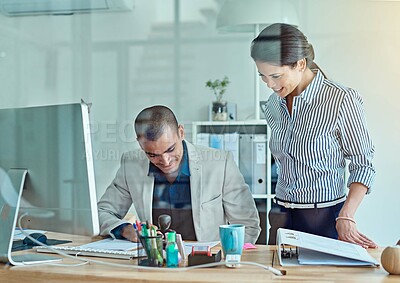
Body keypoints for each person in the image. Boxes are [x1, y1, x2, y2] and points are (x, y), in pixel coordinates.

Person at [250, 23, 377, 248]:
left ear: (300, 64)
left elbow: (363, 165)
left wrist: (346, 215)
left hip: (325, 219)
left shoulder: (341, 100)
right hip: (280, 216)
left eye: (276, 76)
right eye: (263, 76)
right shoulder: (273, 104)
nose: (270, 85)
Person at [97, 105, 261, 244]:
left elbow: (248, 225)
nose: (165, 161)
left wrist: (228, 260)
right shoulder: (131, 165)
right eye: (152, 155)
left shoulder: (220, 163)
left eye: (170, 149)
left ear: (181, 132)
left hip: (208, 266)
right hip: (156, 265)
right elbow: (102, 212)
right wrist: (126, 230)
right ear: (140, 144)